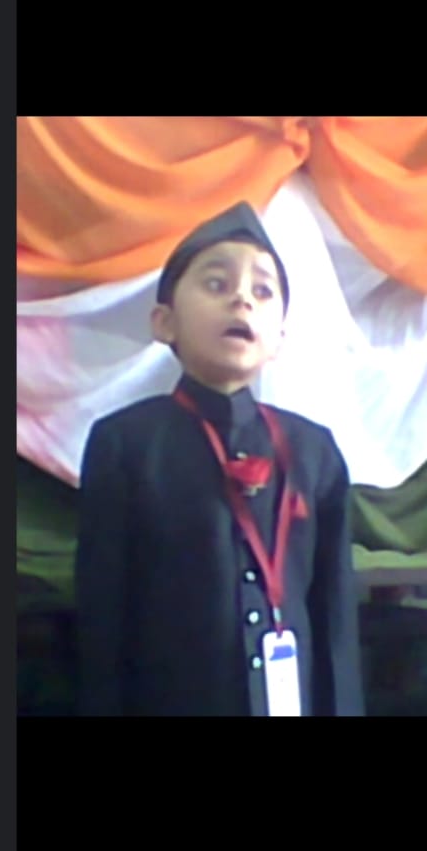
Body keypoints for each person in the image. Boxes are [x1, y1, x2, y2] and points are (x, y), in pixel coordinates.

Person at [76, 202, 365, 717]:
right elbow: (103, 624)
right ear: (164, 322)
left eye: (263, 291)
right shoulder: (125, 444)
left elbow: (335, 622)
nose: (241, 300)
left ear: (279, 339)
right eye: (216, 284)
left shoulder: (315, 451)